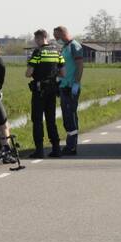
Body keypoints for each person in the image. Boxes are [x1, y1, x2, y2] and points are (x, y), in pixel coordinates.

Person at [24, 29, 65, 159]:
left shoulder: (38, 52)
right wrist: (52, 76)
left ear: (40, 38)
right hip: (52, 89)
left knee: (37, 120)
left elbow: (28, 73)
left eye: (36, 39)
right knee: (51, 120)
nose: (35, 42)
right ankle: (56, 149)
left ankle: (39, 150)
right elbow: (63, 73)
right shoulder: (57, 51)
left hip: (39, 90)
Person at [53, 25, 85, 156]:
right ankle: (71, 145)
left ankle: (71, 146)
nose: (56, 39)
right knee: (68, 116)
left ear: (62, 33)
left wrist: (76, 83)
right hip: (64, 85)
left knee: (69, 116)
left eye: (56, 36)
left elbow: (80, 66)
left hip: (70, 87)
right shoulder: (65, 46)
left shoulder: (74, 46)